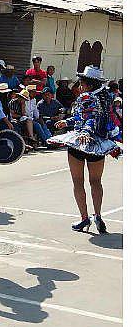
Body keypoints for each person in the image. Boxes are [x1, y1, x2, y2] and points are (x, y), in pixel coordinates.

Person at [47, 66, 122, 233]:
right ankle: (98, 216)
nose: (79, 85)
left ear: (88, 84)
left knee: (78, 181)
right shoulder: (106, 97)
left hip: (81, 142)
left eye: (81, 82)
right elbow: (86, 117)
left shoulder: (85, 97)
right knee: (96, 182)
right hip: (98, 145)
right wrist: (67, 122)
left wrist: (85, 131)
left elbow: (88, 119)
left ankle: (84, 218)